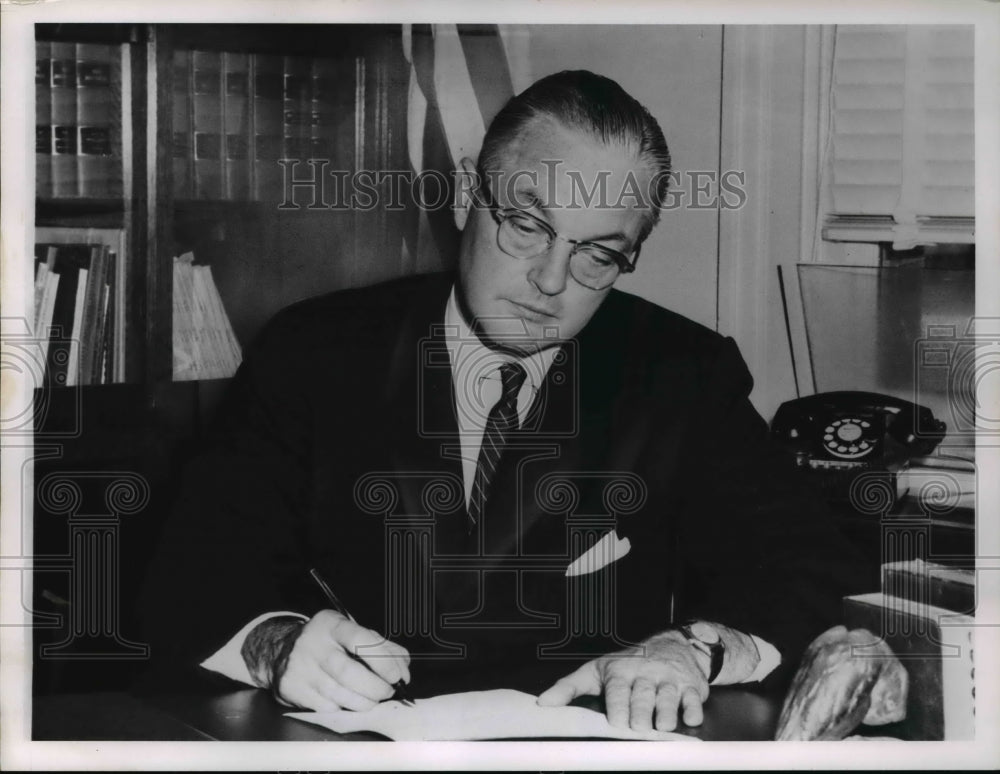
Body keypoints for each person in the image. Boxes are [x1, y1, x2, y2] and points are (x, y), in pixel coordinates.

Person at [140, 70, 874, 734]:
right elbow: (190, 570)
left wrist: (690, 648)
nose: (551, 280)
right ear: (466, 195)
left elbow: (813, 572)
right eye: (526, 225)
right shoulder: (315, 351)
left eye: (598, 253)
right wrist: (280, 644)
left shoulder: (681, 373)